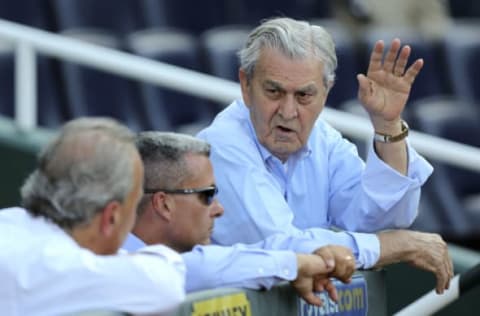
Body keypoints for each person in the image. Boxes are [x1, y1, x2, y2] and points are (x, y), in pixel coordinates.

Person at [197, 17, 453, 293]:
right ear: (246, 86)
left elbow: (379, 223)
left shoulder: (323, 137)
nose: (288, 111)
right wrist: (396, 246)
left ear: (326, 92)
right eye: (274, 92)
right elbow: (284, 249)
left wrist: (387, 125)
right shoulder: (220, 145)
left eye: (304, 95)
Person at [123, 131, 357, 306]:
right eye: (207, 195)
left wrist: (314, 253)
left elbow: (239, 255)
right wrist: (296, 264)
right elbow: (199, 268)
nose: (219, 209)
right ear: (164, 204)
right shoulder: (112, 259)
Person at [0, 118, 185, 315]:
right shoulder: (61, 265)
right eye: (134, 207)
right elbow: (166, 286)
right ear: (111, 217)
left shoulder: (10, 221)